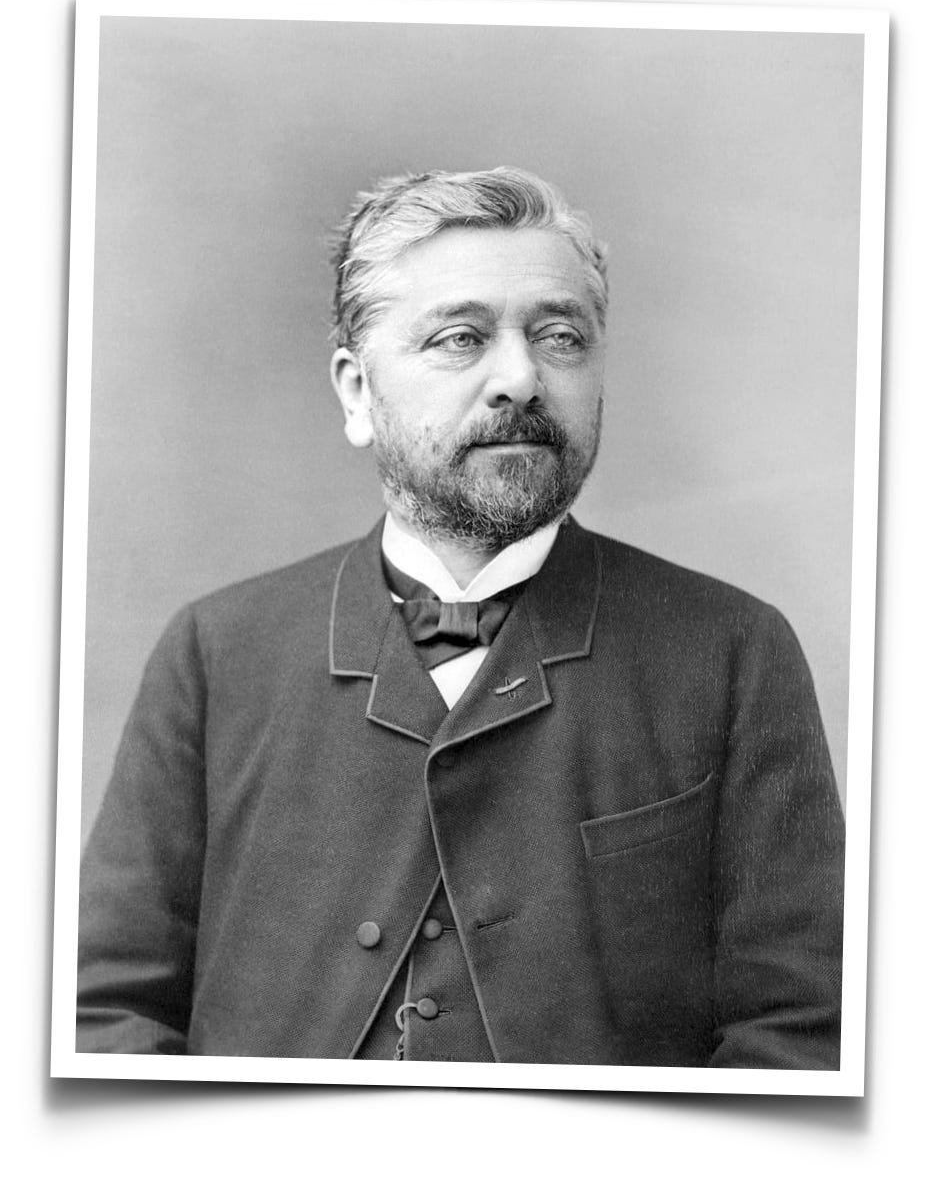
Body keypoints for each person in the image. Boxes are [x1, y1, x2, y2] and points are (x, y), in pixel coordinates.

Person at [76, 167, 845, 1067]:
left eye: (561, 337)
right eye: (460, 338)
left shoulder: (732, 651)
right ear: (357, 393)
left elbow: (799, 1034)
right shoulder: (216, 653)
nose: (519, 378)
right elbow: (106, 1014)